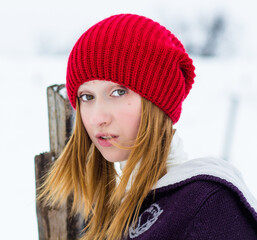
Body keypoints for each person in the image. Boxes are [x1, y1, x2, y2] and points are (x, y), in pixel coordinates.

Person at [39, 13, 257, 240]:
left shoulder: (208, 205)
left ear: (157, 101)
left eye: (118, 92)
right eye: (86, 97)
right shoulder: (115, 210)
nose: (97, 118)